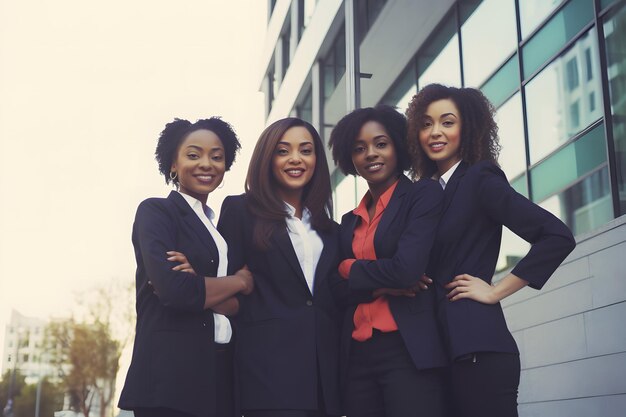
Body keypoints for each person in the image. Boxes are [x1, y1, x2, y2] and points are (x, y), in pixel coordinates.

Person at [405, 84, 576, 417]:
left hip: (479, 349)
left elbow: (556, 236)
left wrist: (496, 290)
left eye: (447, 122)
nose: (435, 132)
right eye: (426, 124)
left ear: (467, 127)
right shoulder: (424, 193)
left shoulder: (479, 178)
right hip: (440, 352)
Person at [118, 117, 253, 417]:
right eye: (193, 155)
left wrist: (202, 287)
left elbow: (237, 307)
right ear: (173, 165)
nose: (206, 163)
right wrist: (239, 282)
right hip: (169, 379)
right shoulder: (157, 211)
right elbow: (173, 290)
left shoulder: (217, 229)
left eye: (216, 157)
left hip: (218, 377)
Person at [217, 118, 342, 417]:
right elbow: (225, 284)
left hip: (324, 381)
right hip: (266, 375)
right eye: (283, 151)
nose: (296, 159)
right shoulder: (239, 211)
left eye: (306, 151)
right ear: (267, 158)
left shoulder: (332, 230)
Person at [328, 105, 447, 417]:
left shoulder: (423, 195)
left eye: (381, 144)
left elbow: (407, 270)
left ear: (398, 146)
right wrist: (382, 286)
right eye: (359, 148)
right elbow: (336, 290)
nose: (370, 154)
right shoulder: (347, 222)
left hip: (407, 351)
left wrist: (349, 267)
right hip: (356, 356)